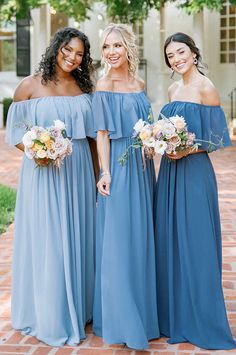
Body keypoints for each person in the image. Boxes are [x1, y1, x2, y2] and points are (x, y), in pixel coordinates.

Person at [6, 27, 96, 346]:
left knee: (80, 236)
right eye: (67, 50)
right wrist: (37, 152)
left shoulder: (86, 87)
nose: (72, 58)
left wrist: (99, 176)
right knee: (50, 239)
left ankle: (82, 307)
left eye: (80, 54)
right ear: (56, 47)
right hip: (43, 173)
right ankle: (50, 311)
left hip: (80, 169)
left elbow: (93, 139)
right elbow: (16, 132)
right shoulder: (29, 85)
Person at [154, 32, 236, 350]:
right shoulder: (173, 88)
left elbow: (216, 139)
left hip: (195, 173)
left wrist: (186, 150)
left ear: (193, 53)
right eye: (171, 55)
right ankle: (174, 316)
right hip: (170, 173)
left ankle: (203, 318)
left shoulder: (207, 87)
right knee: (171, 241)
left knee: (197, 242)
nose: (177, 58)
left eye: (181, 52)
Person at [92, 23, 159, 350]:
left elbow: (146, 126)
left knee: (139, 238)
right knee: (118, 241)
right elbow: (102, 134)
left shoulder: (139, 82)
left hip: (142, 167)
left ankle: (144, 315)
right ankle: (121, 320)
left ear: (128, 48)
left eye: (117, 45)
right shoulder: (102, 85)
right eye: (106, 47)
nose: (111, 52)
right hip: (117, 167)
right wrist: (104, 172)